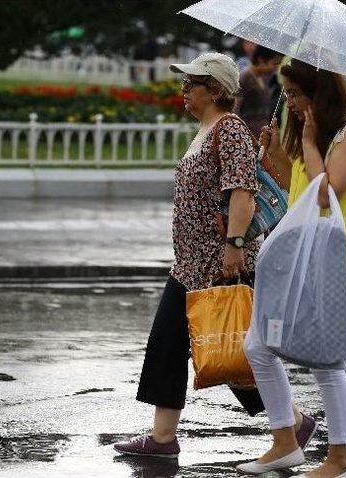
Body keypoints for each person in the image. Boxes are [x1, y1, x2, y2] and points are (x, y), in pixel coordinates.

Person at [112, 52, 265, 458]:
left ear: (214, 89)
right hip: (191, 263)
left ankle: (294, 421)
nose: (183, 92)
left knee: (232, 353)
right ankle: (163, 438)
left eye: (190, 84)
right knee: (189, 346)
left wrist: (234, 247)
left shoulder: (229, 129)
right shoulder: (205, 129)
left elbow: (243, 193)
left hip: (217, 262)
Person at [239, 59, 346, 478]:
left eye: (296, 94)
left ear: (320, 92)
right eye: (288, 94)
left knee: (325, 361)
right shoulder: (305, 132)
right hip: (294, 254)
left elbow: (325, 195)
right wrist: (277, 152)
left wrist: (311, 141)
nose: (290, 102)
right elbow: (297, 188)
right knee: (258, 347)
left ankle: (340, 460)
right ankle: (285, 441)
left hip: (335, 258)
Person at [234, 45, 284, 136]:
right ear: (261, 60)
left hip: (262, 133)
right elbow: (235, 109)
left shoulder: (265, 78)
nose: (276, 68)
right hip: (248, 133)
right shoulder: (244, 78)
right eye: (274, 63)